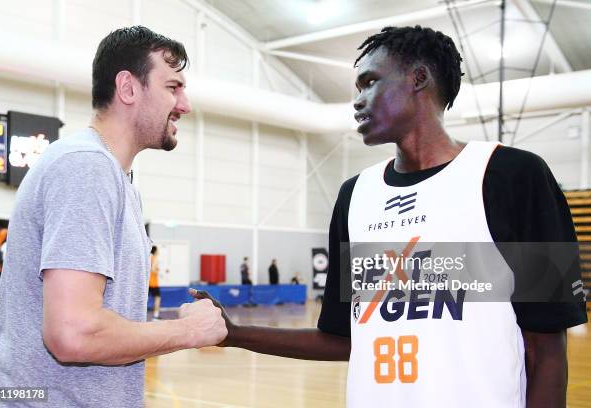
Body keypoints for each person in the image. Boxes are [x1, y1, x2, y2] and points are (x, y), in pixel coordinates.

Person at [192, 25, 587, 408]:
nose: (357, 100)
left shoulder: (514, 176)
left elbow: (547, 350)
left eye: (370, 82)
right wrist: (236, 333)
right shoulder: (355, 195)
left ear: (418, 78)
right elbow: (343, 340)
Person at [0, 26, 227, 407]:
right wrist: (189, 331)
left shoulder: (116, 177)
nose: (185, 104)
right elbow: (73, 334)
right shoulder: (86, 167)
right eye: (173, 87)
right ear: (128, 88)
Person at [149, 246, 162, 320]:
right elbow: (153, 269)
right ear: (155, 251)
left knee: (144, 300)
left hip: (147, 283)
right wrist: (159, 272)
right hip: (153, 283)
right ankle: (155, 316)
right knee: (157, 298)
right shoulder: (155, 258)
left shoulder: (148, 258)